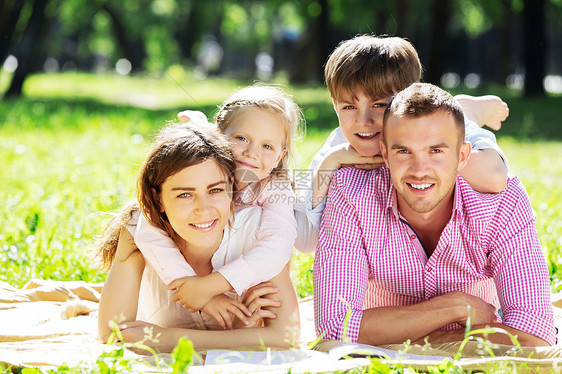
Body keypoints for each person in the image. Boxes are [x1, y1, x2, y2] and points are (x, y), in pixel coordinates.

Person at [313, 83, 556, 347]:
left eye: (436, 151)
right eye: (403, 151)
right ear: (385, 153)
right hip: (478, 335)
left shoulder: (503, 202)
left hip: (385, 336)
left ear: (462, 156)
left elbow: (537, 334)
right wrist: (454, 307)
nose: (419, 170)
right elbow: (335, 328)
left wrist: (407, 339)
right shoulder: (351, 193)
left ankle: (470, 112)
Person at [293, 35, 510, 253]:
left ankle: (466, 109)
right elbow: (305, 241)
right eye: (349, 107)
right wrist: (329, 164)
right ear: (334, 104)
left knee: (458, 117)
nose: (363, 121)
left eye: (378, 104)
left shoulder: (443, 127)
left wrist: (435, 154)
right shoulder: (338, 146)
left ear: (409, 99)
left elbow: (495, 178)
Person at [97, 122, 299, 351]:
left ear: (231, 188)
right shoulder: (139, 229)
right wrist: (243, 338)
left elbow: (285, 338)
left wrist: (167, 339)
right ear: (158, 199)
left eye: (215, 190)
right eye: (185, 194)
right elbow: (113, 333)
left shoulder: (257, 231)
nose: (203, 209)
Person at [134, 84, 304, 327]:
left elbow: (276, 248)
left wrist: (212, 286)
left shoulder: (276, 188)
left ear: (279, 155)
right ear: (219, 135)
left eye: (267, 146)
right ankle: (198, 127)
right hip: (195, 275)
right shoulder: (200, 171)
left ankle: (198, 125)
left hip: (248, 282)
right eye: (241, 138)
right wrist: (191, 287)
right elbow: (148, 225)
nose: (251, 153)